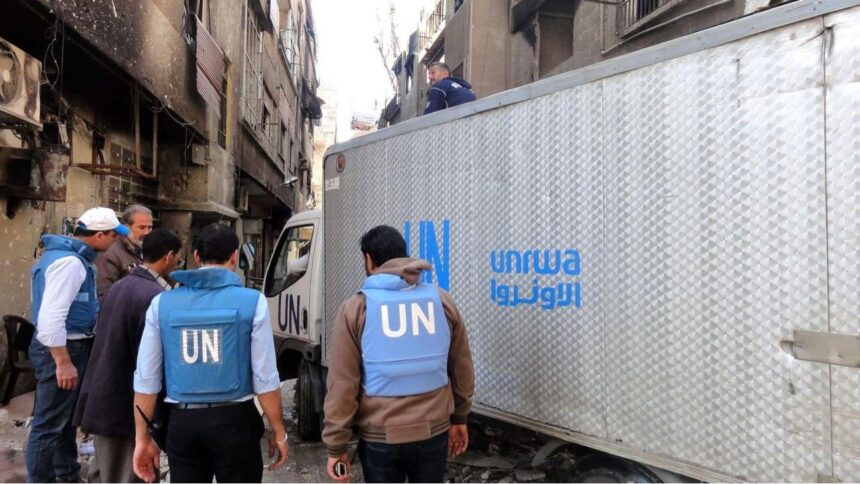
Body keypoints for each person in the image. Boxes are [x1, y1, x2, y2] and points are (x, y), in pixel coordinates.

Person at [132, 223, 288, 483]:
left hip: (182, 422)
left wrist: (142, 437)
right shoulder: (253, 302)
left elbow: (146, 378)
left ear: (196, 256)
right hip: (236, 421)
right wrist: (278, 430)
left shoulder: (162, 303)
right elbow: (265, 377)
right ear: (235, 256)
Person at [323, 225, 475, 483]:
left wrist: (336, 446)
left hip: (380, 438)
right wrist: (460, 416)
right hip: (433, 434)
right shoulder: (442, 301)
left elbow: (342, 383)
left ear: (369, 260)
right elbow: (461, 367)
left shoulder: (356, 308)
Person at [26, 207, 130, 483]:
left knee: (63, 420)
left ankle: (67, 472)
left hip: (67, 346)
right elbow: (50, 319)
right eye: (113, 236)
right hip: (63, 349)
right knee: (48, 425)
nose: (115, 242)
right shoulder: (70, 263)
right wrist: (63, 362)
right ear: (99, 235)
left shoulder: (63, 257)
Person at [73, 229, 183, 483]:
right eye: (178, 257)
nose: (178, 262)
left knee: (104, 470)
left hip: (103, 395)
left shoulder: (121, 285)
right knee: (126, 473)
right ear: (168, 256)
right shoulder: (153, 296)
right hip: (125, 403)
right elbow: (149, 361)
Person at [95, 204, 153, 298]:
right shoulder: (110, 254)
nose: (147, 232)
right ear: (127, 227)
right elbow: (104, 295)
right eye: (142, 227)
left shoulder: (146, 249)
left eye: (149, 227)